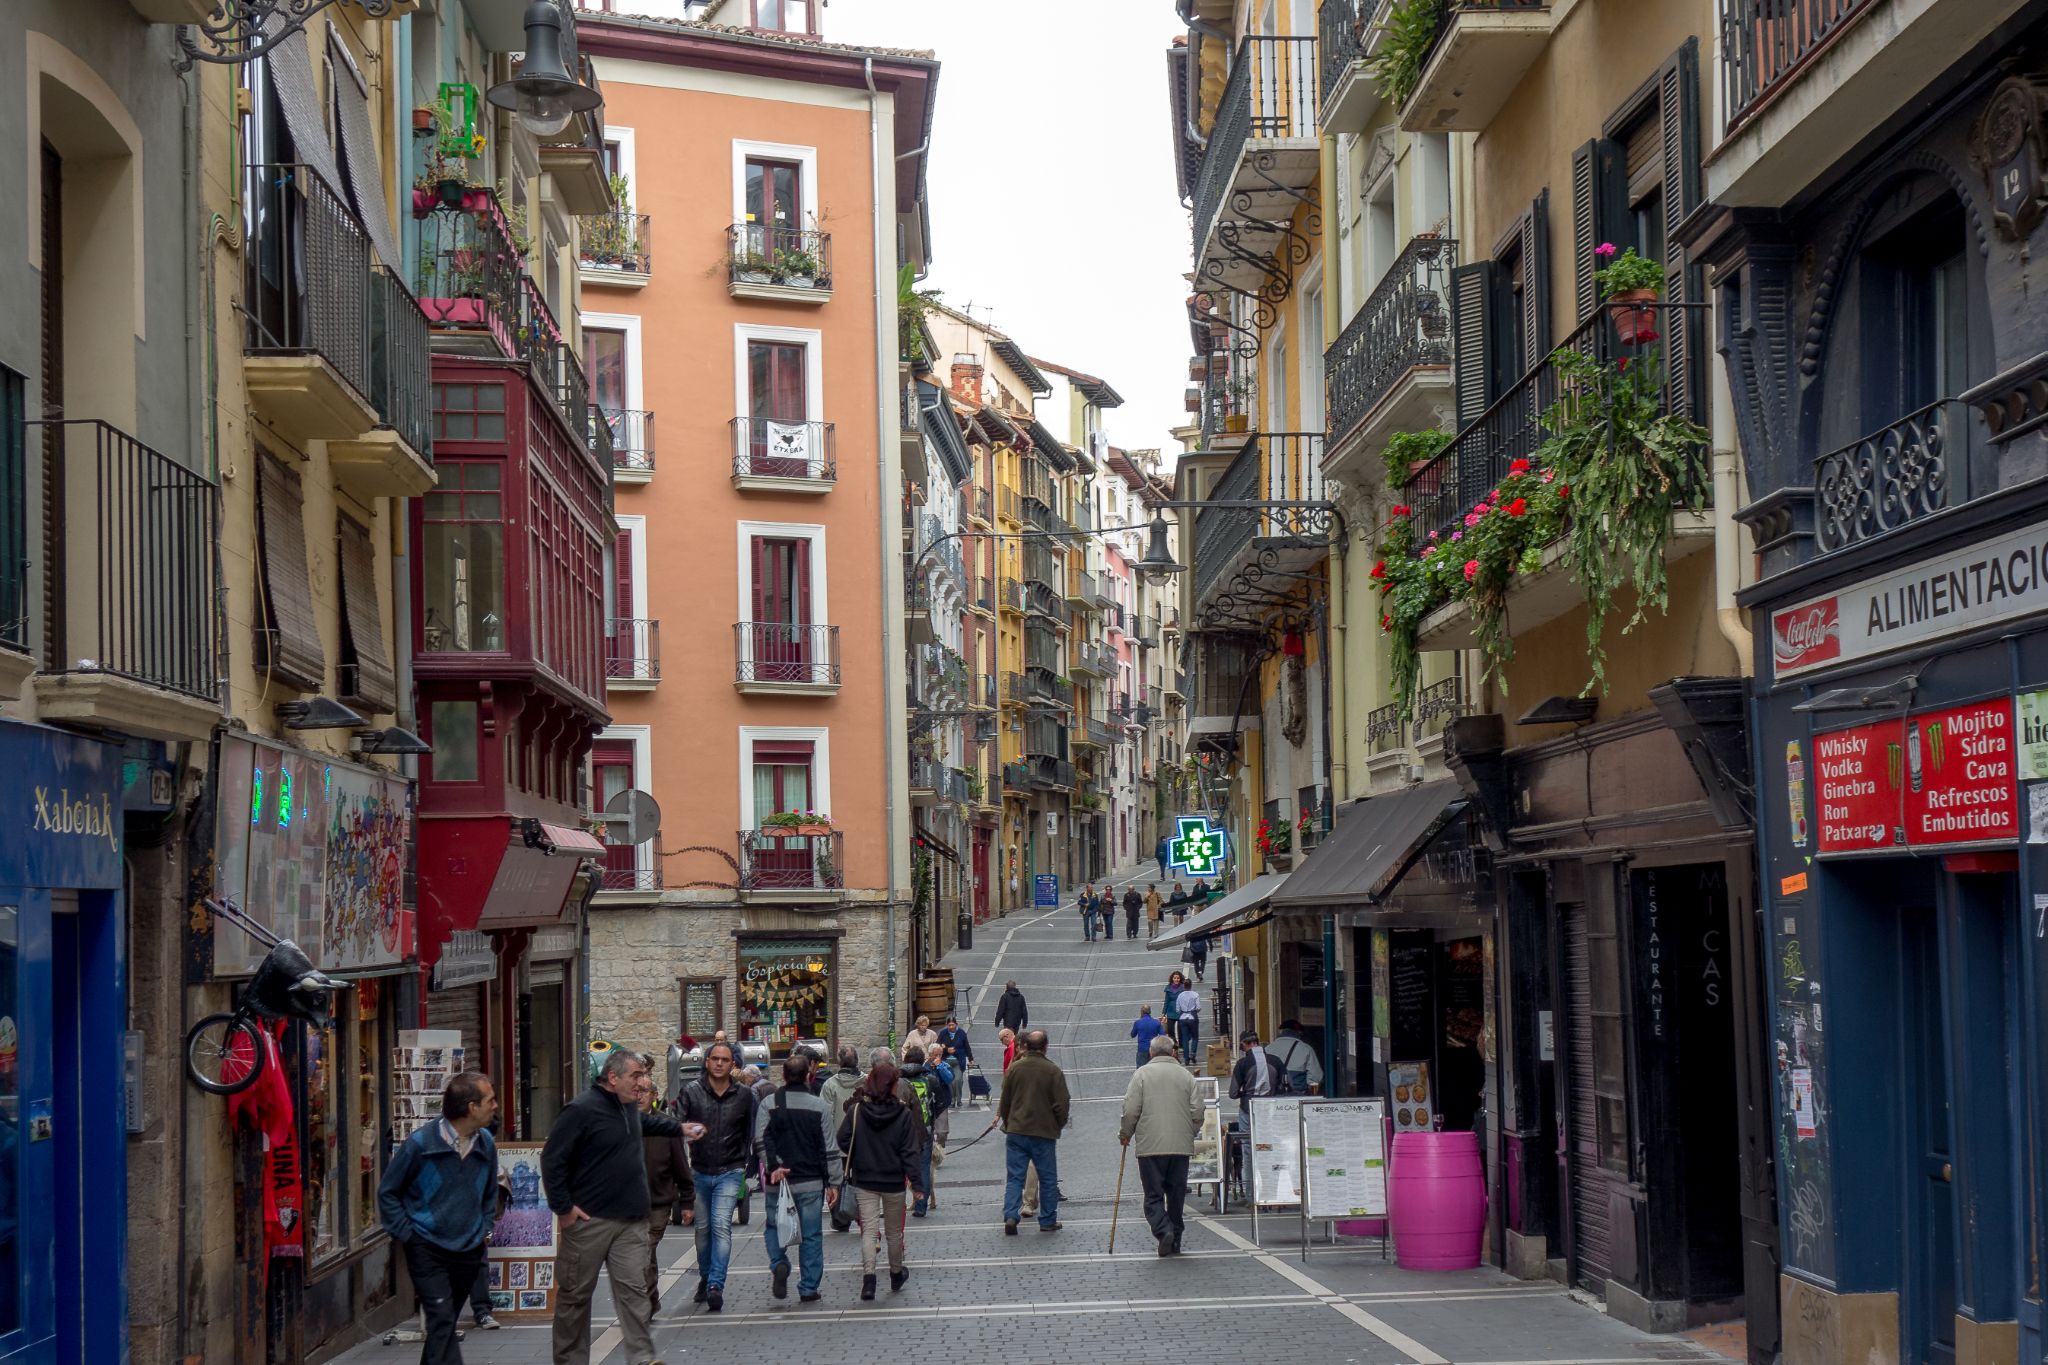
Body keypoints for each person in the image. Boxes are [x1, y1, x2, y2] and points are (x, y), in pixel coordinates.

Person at [542, 1049, 684, 1365]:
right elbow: (552, 1160)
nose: (643, 1083)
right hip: (589, 1221)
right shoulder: (580, 1111)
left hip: (631, 1221)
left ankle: (642, 1359)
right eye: (636, 1076)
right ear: (612, 1077)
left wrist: (680, 1128)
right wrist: (563, 1208)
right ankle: (570, 1361)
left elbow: (645, 1124)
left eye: (644, 1076)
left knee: (635, 1292)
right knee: (575, 1297)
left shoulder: (627, 1108)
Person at [377, 1071, 499, 1365]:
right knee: (442, 1319)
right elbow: (388, 1192)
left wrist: (484, 1229)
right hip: (427, 1247)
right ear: (472, 1107)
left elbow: (490, 1192)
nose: (495, 1106)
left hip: (468, 1249)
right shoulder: (421, 1144)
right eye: (490, 1100)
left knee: (442, 1325)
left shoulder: (485, 1143)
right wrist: (409, 1236)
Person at [675, 1039, 756, 1312]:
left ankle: (715, 1284)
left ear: (733, 1064)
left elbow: (749, 1130)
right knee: (703, 1230)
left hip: (730, 1169)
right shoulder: (691, 1091)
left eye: (725, 1060)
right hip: (699, 1169)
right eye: (715, 1059)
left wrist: (745, 1161)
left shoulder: (744, 1095)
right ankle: (705, 1274)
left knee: (721, 1225)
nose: (719, 1063)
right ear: (707, 1062)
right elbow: (675, 1124)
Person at [755, 1052, 842, 1303]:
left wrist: (772, 1166)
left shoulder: (769, 1104)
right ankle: (808, 1287)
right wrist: (833, 1182)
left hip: (779, 1180)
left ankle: (779, 1262)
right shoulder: (818, 1106)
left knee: (774, 1226)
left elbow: (760, 1140)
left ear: (783, 1076)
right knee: (811, 1235)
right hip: (811, 1181)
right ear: (808, 1076)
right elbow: (828, 1147)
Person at [838, 1061, 925, 1300]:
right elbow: (910, 1151)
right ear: (892, 1085)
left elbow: (843, 1139)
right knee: (894, 1233)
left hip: (865, 1178)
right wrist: (917, 1184)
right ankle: (896, 1273)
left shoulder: (857, 1111)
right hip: (893, 1180)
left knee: (869, 1231)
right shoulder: (903, 1114)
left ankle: (869, 1280)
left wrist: (860, 1155)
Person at [1120, 1034, 1205, 1256]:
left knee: (1153, 1195)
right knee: (1176, 1195)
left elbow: (1131, 1109)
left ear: (1151, 1052)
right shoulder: (1186, 1076)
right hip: (1179, 1146)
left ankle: (1163, 1229)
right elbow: (1198, 1111)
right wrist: (1189, 1132)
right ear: (1173, 1052)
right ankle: (1175, 1238)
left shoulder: (1141, 1074)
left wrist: (1125, 1133)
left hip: (1150, 1146)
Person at [996, 1029, 1070, 1234]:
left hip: (1017, 1131)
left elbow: (1005, 1101)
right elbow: (1062, 1103)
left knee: (1014, 1178)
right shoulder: (1053, 1071)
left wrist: (1009, 1122)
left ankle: (1011, 1215)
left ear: (1026, 1046)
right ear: (1046, 1047)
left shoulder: (1015, 1068)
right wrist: (1057, 1125)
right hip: (1043, 1132)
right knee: (1047, 1178)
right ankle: (1047, 1219)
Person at [642, 1070, 694, 1313]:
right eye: (636, 1091)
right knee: (641, 1255)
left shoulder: (666, 1125)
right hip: (627, 1205)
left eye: (645, 1091)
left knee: (645, 1249)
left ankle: (643, 1304)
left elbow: (680, 1165)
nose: (639, 1096)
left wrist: (687, 1201)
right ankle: (649, 1299)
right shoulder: (620, 1123)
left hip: (658, 1202)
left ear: (654, 1095)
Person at [899, 1044, 952, 1217]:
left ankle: (897, 1204)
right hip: (925, 1130)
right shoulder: (930, 1079)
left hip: (902, 1131)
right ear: (922, 1060)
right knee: (923, 1166)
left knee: (899, 1167)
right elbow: (943, 1101)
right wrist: (931, 1117)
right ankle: (921, 1206)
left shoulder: (899, 1081)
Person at [818, 1045, 865, 1232]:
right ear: (857, 1061)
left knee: (837, 1180)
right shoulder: (867, 1082)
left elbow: (825, 1116)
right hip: (863, 1142)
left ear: (839, 1061)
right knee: (861, 1180)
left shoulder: (829, 1085)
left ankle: (840, 1219)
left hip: (838, 1142)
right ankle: (862, 1215)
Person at [1229, 1030, 1278, 1120]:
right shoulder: (1276, 1060)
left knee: (1246, 1128)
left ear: (1243, 1044)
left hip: (1248, 1108)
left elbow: (1233, 1093)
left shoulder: (1242, 1063)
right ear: (1257, 1042)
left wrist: (1243, 1093)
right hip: (1272, 1107)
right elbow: (1286, 1084)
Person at [1268, 1019, 1325, 1095]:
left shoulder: (1268, 1048)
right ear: (1299, 1033)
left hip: (1274, 1095)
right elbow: (1316, 1076)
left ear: (1281, 1032)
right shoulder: (1306, 1049)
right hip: (1298, 1094)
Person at [935, 1014, 974, 1112]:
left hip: (958, 1061)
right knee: (950, 1081)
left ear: (956, 1024)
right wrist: (946, 1049)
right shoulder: (943, 1033)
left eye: (953, 1025)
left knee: (958, 1080)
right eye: (949, 1025)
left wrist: (970, 1058)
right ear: (947, 1025)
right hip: (946, 1061)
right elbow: (937, 1045)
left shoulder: (961, 1033)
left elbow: (966, 1046)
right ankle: (952, 1100)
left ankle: (959, 1099)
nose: (951, 1027)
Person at [1174, 978, 1203, 1066]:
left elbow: (1177, 1009)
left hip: (1182, 1017)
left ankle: (1186, 1058)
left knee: (1185, 1038)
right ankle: (1193, 1054)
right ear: (1191, 985)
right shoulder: (1195, 994)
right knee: (1195, 1037)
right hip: (1192, 1017)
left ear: (1184, 986)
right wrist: (1194, 1011)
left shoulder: (1180, 996)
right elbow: (1198, 1007)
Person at [1130, 1004, 1165, 1069]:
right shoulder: (1157, 1022)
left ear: (1142, 1012)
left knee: (1141, 1068)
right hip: (1153, 1049)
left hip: (1142, 1048)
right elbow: (1163, 1035)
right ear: (1150, 1012)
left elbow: (1132, 1035)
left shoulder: (1138, 1022)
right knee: (1153, 1068)